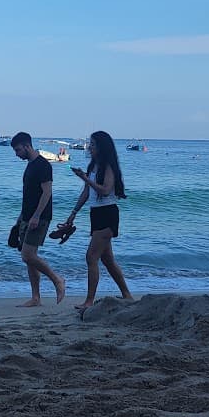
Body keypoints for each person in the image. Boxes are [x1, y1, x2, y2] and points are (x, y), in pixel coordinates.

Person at [63, 130, 133, 311]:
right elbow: (87, 192)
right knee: (108, 259)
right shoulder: (93, 165)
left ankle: (89, 301)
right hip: (95, 214)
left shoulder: (108, 166)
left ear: (101, 147)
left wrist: (85, 178)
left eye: (93, 144)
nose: (90, 147)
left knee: (91, 257)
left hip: (108, 214)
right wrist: (73, 213)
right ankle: (127, 295)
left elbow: (105, 190)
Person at [10, 132, 65, 307]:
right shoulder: (30, 165)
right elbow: (28, 195)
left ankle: (57, 280)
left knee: (27, 255)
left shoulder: (43, 165)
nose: (16, 154)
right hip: (27, 216)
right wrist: (20, 218)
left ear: (27, 146)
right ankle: (36, 298)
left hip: (39, 217)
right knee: (28, 257)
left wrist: (36, 216)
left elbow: (47, 192)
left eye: (18, 150)